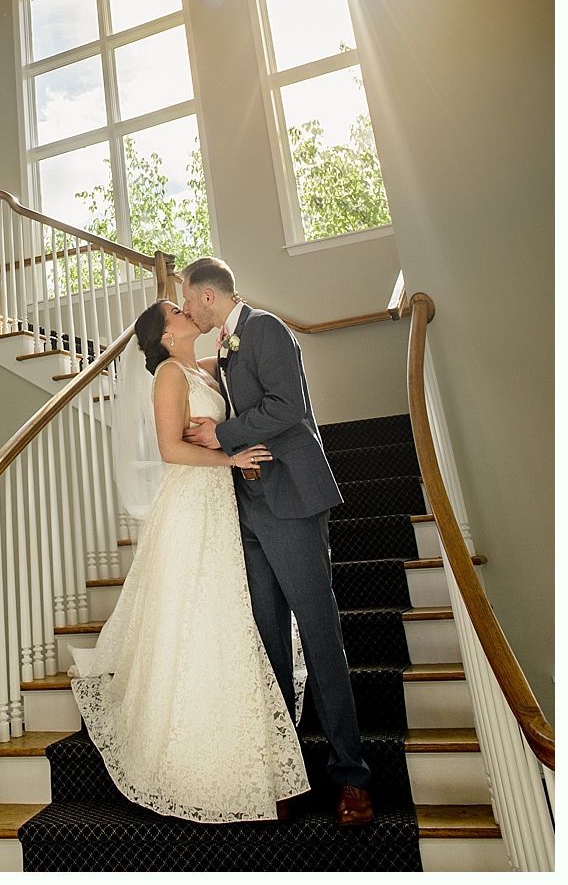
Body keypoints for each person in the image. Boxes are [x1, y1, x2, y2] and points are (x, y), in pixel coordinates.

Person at [68, 299, 310, 823]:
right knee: (202, 618)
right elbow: (170, 450)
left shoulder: (203, 368)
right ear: (166, 334)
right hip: (193, 500)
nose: (185, 311)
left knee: (231, 618)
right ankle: (205, 765)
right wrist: (231, 457)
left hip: (223, 503)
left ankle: (259, 762)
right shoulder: (169, 377)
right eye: (176, 311)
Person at [180, 256, 374, 826]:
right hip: (247, 508)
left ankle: (352, 777)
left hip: (291, 501)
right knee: (267, 647)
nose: (187, 308)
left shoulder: (265, 329)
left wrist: (224, 433)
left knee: (318, 636)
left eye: (188, 298)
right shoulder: (219, 351)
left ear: (210, 297)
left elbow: (289, 408)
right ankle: (286, 773)